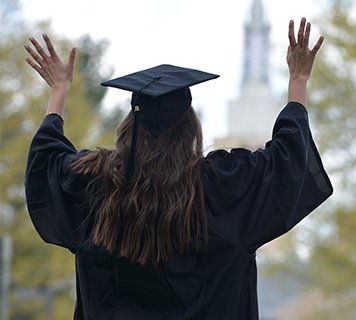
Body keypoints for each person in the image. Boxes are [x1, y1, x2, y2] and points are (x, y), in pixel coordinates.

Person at [24, 18, 333, 319]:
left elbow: (47, 161)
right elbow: (287, 159)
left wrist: (58, 91)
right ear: (190, 128)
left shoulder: (97, 188)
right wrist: (297, 81)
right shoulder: (220, 189)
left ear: (129, 125)